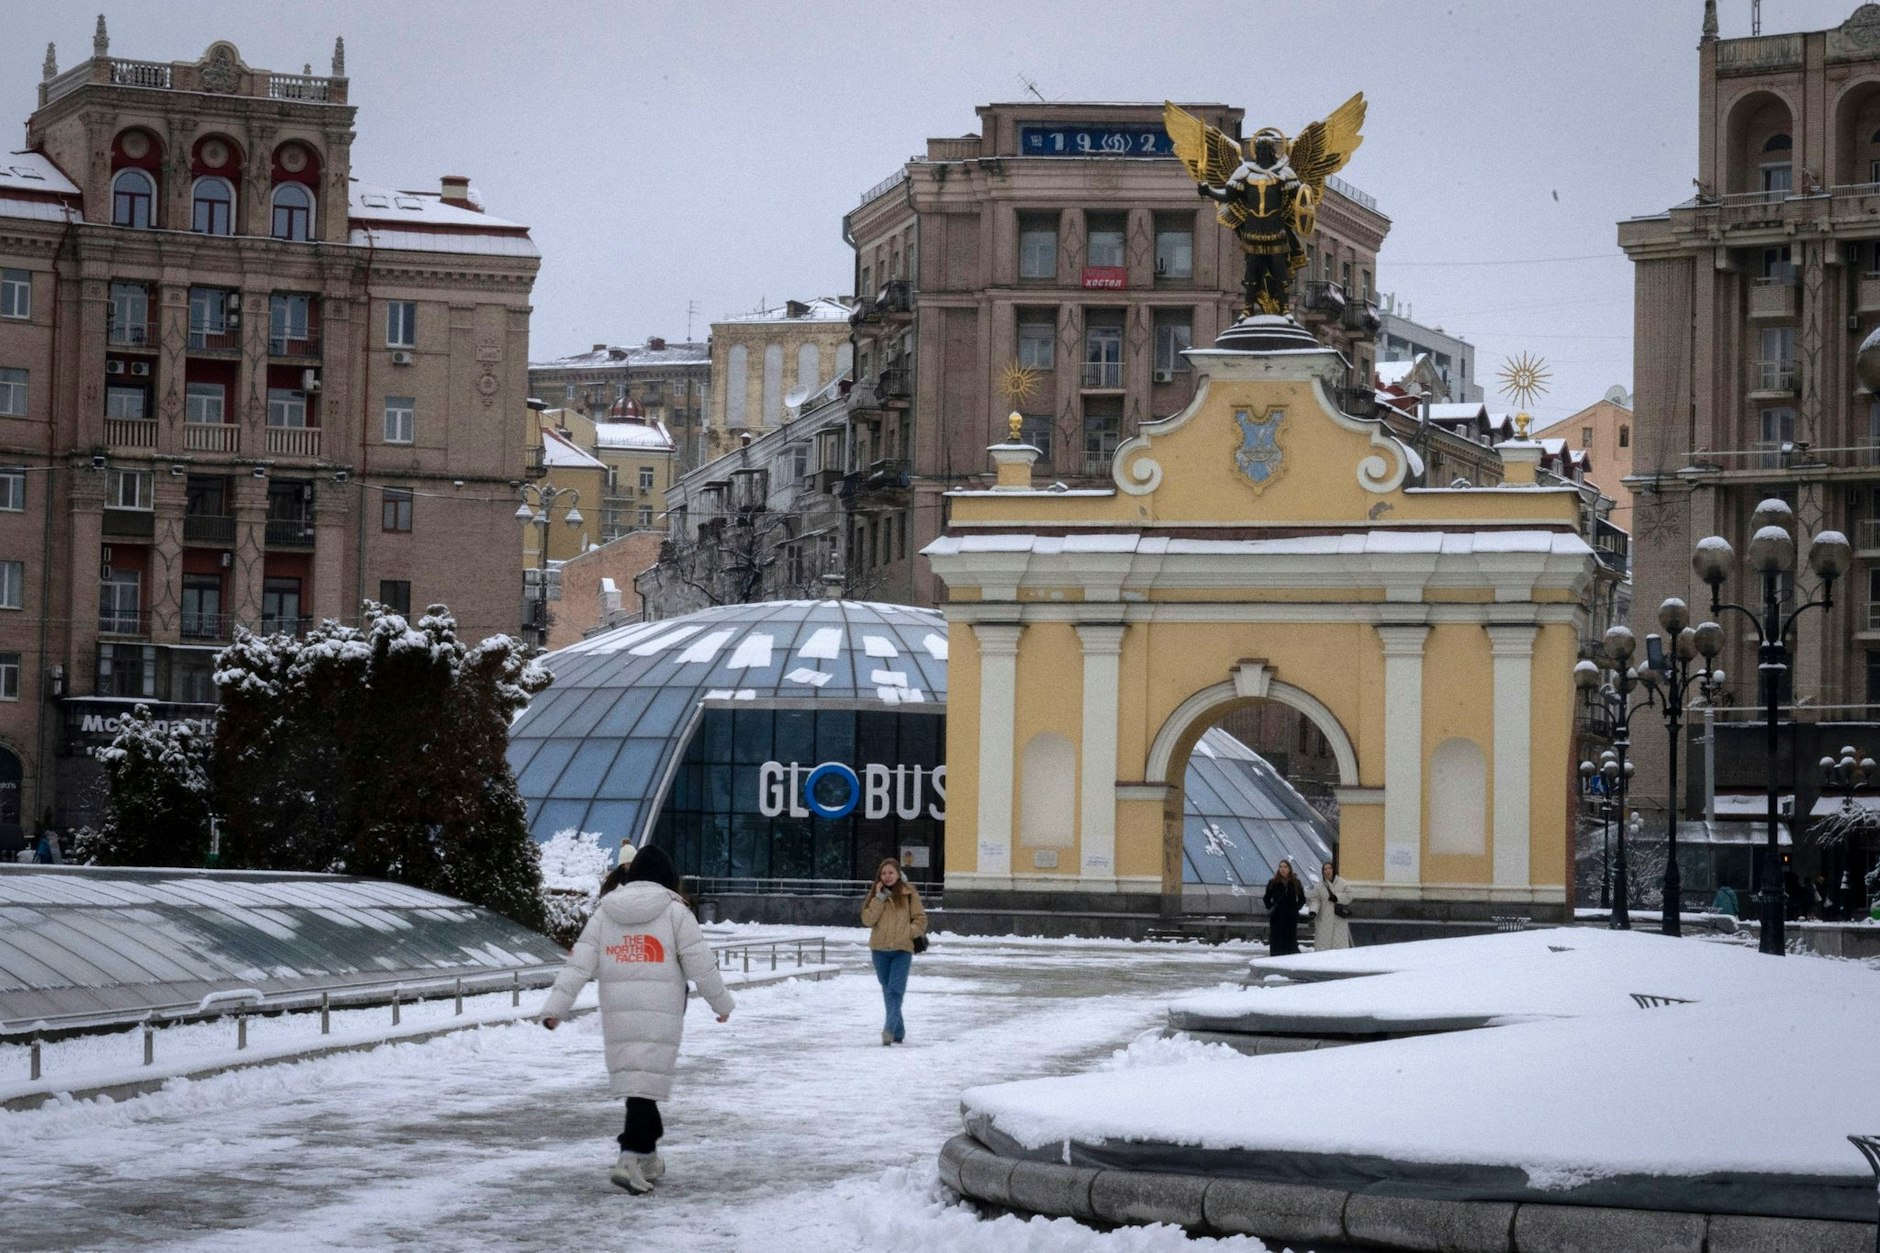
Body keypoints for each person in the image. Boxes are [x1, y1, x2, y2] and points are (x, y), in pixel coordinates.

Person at [539, 844, 732, 1195]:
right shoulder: (676, 913)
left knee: (639, 1082)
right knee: (645, 1083)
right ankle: (629, 1156)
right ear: (668, 877)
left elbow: (579, 964)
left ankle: (648, 1155)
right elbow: (701, 964)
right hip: (663, 1011)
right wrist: (721, 1004)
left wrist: (556, 1008)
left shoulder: (605, 912)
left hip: (619, 1011)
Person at [861, 857, 926, 1046]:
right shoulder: (876, 893)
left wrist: (909, 933)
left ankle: (889, 1030)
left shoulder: (909, 893)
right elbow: (867, 919)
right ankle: (899, 1030)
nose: (887, 876)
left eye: (891, 872)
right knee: (887, 990)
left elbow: (920, 919)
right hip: (879, 949)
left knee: (895, 990)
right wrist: (879, 898)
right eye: (883, 873)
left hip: (902, 950)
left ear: (898, 874)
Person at [1263, 859, 1307, 956]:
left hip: (1290, 916)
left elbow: (1302, 899)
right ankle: (1276, 958)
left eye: (1285, 867)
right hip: (1277, 916)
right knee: (1276, 939)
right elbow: (1266, 898)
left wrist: (1295, 909)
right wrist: (1271, 908)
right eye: (1281, 867)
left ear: (1289, 869)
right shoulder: (1273, 882)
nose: (1282, 869)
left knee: (1290, 938)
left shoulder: (1296, 882)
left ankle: (1290, 958)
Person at [1309, 860, 1355, 950]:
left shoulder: (1343, 883)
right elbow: (1316, 899)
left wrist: (1337, 897)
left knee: (1339, 945)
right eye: (1325, 869)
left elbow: (1349, 895)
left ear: (1334, 870)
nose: (1327, 871)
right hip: (1324, 919)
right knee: (1324, 946)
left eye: (1329, 868)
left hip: (1338, 919)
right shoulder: (1319, 886)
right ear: (1323, 872)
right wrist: (1313, 911)